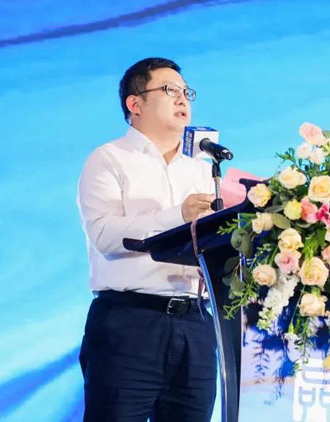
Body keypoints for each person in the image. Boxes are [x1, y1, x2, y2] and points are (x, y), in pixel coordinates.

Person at [77, 57, 217, 422]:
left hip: (195, 324)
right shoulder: (109, 159)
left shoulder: (203, 170)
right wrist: (178, 215)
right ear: (135, 104)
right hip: (130, 324)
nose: (182, 98)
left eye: (186, 92)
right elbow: (105, 235)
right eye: (169, 90)